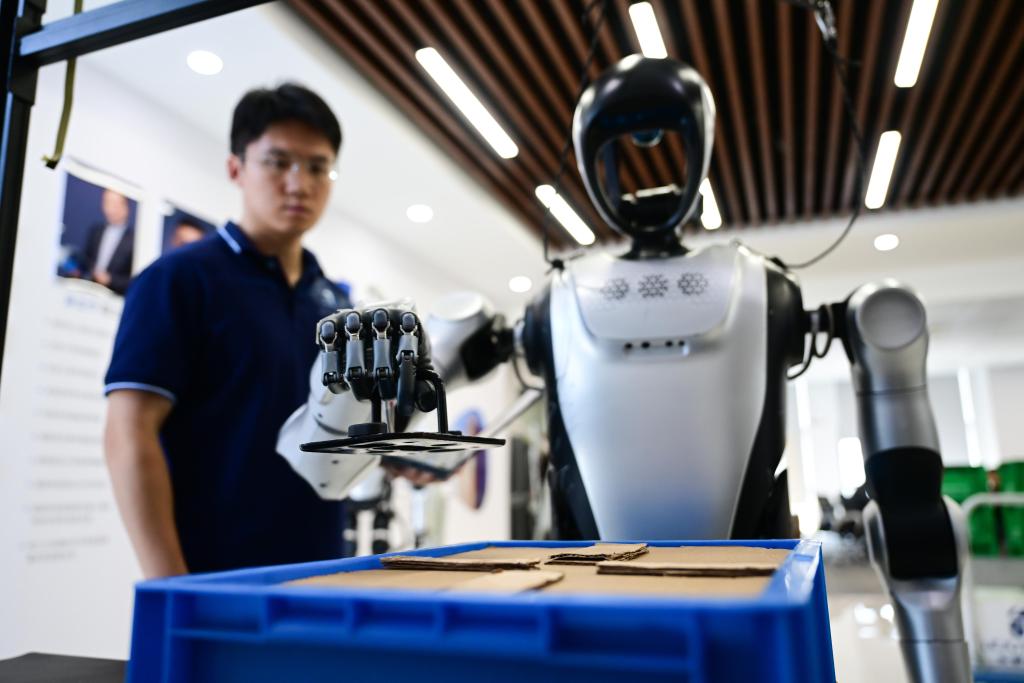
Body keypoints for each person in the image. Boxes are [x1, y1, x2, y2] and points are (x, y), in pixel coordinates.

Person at [103, 83, 356, 577]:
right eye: (278, 162)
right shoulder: (179, 280)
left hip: (324, 575)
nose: (299, 184)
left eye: (318, 167)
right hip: (215, 577)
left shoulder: (333, 302)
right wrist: (172, 589)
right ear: (236, 168)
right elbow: (128, 432)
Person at [82, 189, 135, 295]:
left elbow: (133, 280)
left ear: (126, 207)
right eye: (107, 203)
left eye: (115, 204)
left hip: (113, 296)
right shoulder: (96, 231)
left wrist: (110, 280)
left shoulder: (134, 240)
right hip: (88, 290)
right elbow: (86, 260)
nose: (110, 209)